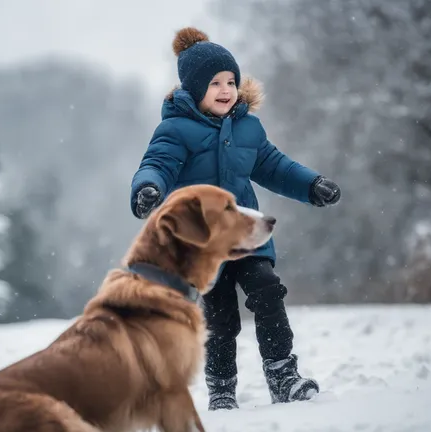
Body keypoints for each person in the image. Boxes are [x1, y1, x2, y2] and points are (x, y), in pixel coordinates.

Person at [128, 27, 341, 410]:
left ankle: (283, 375)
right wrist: (148, 189)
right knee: (220, 318)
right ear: (194, 89)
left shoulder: (248, 128)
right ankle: (222, 389)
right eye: (214, 83)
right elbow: (156, 165)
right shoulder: (176, 130)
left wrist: (312, 185)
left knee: (268, 290)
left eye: (230, 81)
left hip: (246, 235)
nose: (225, 90)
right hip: (204, 246)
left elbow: (276, 167)